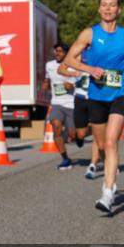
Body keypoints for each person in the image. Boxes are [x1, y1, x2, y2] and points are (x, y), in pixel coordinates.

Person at [63, 0, 124, 215]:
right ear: (99, 9)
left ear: (119, 10)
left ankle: (108, 193)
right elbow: (69, 60)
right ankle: (111, 179)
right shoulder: (89, 34)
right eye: (104, 5)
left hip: (121, 93)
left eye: (112, 5)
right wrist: (90, 69)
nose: (108, 9)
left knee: (111, 142)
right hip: (97, 97)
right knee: (101, 146)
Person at [60, 48, 102, 179]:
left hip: (96, 99)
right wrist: (72, 76)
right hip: (80, 98)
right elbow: (61, 70)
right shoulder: (78, 58)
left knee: (97, 133)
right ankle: (80, 137)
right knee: (81, 133)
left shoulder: (102, 57)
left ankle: (93, 165)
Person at [44, 42, 78, 170]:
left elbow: (73, 85)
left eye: (60, 51)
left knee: (73, 134)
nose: (57, 53)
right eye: (56, 51)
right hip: (57, 103)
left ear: (66, 53)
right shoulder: (50, 65)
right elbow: (48, 79)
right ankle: (65, 158)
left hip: (71, 104)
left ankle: (78, 136)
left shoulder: (73, 67)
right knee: (56, 127)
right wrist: (46, 84)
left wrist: (69, 85)